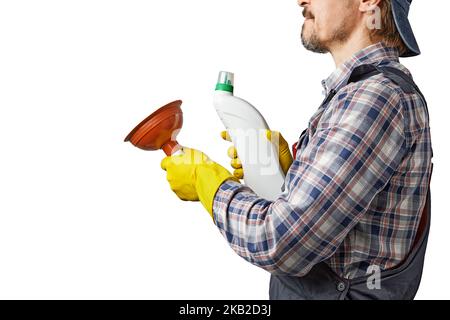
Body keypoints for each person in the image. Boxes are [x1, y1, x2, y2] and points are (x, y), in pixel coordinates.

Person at [160, 0, 433, 300]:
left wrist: (206, 182)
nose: (301, 0)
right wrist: (289, 175)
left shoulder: (375, 99)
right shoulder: (358, 92)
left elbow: (283, 243)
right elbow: (346, 229)